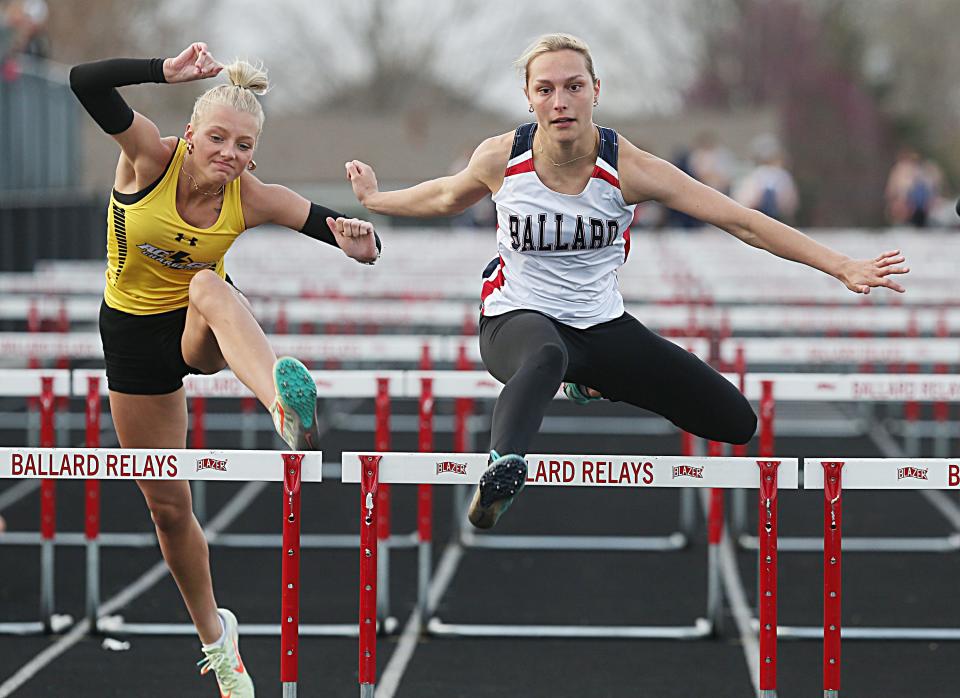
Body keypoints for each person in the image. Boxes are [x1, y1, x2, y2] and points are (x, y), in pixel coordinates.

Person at [345, 32, 908, 531]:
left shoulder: (631, 168)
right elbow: (444, 195)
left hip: (599, 326)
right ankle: (504, 470)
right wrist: (376, 200)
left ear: (596, 90)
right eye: (545, 90)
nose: (560, 101)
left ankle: (584, 381)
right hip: (515, 321)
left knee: (734, 421)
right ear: (529, 98)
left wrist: (841, 265)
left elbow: (741, 220)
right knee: (544, 354)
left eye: (573, 86)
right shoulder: (501, 158)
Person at [70, 43, 380, 696]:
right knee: (168, 508)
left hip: (200, 331)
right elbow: (84, 80)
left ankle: (282, 407)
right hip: (130, 340)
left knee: (210, 286)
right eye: (218, 138)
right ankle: (218, 640)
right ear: (191, 136)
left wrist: (362, 241)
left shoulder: (254, 195)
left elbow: (350, 238)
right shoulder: (149, 156)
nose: (229, 154)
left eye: (242, 146)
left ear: (252, 157)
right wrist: (162, 72)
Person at [733, 133, 799, 223]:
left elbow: (789, 199)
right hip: (760, 211)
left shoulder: (780, 175)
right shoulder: (757, 174)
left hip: (772, 213)